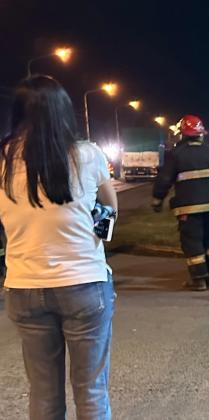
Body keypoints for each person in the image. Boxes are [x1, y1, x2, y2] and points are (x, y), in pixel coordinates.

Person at [0, 75, 117, 419]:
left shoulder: (4, 159)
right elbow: (110, 208)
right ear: (64, 111)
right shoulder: (87, 154)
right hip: (84, 284)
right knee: (91, 392)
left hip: (25, 285)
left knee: (44, 393)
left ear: (18, 112)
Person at [152, 115, 209, 291]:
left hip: (188, 208)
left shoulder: (176, 155)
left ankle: (199, 279)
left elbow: (165, 179)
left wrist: (157, 199)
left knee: (192, 241)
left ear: (183, 134)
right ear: (201, 134)